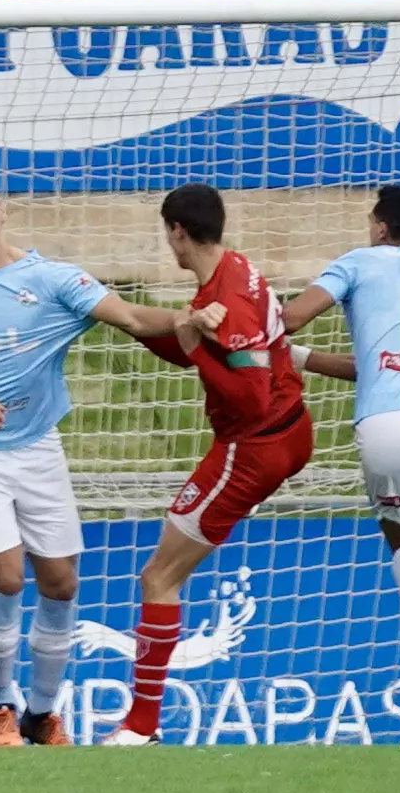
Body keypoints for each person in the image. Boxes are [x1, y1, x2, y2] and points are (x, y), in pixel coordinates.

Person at [0, 165, 224, 748]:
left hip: (38, 445)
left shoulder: (52, 280)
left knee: (61, 585)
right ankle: (1, 708)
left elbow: (128, 316)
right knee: (5, 574)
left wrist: (185, 317)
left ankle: (43, 714)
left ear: (2, 209)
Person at [106, 184, 312, 746]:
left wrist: (191, 345)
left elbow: (246, 394)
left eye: (164, 233)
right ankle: (140, 725)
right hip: (290, 428)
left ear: (177, 231)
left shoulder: (231, 303)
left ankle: (140, 726)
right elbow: (209, 343)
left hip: (252, 447)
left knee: (159, 576)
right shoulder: (235, 269)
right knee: (163, 573)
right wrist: (144, 328)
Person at [277, 185, 400, 634]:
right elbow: (384, 365)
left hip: (386, 423)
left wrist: (244, 316)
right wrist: (300, 357)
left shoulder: (357, 261)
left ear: (380, 227)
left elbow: (291, 318)